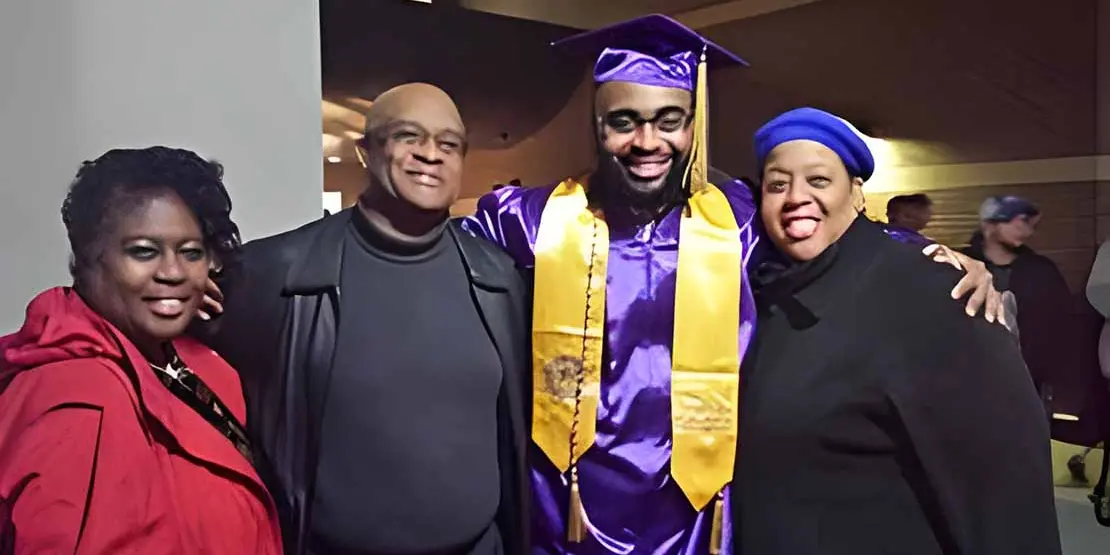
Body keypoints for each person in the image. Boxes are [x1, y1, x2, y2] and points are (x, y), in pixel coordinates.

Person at [462, 15, 1001, 555]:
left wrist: (939, 261)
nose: (647, 142)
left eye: (668, 119)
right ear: (597, 126)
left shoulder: (737, 222)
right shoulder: (529, 220)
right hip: (569, 508)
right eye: (623, 121)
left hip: (700, 512)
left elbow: (837, 237)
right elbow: (436, 255)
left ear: (693, 123)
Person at [197, 83, 530, 555]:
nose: (430, 154)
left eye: (448, 143)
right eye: (408, 136)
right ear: (366, 152)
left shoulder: (497, 278)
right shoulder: (277, 273)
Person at [731, 107, 1060, 554]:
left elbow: (1006, 483)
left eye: (819, 180)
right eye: (777, 184)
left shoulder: (935, 293)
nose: (795, 197)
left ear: (857, 193)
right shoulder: (761, 294)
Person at [0, 147, 282, 553]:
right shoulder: (76, 398)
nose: (172, 273)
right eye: (143, 252)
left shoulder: (188, 363)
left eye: (191, 253)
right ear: (84, 261)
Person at [960, 196, 1085, 424]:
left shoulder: (1041, 270)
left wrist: (1065, 387)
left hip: (1032, 386)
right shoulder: (960, 266)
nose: (1026, 231)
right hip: (971, 385)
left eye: (1029, 224)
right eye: (1018, 222)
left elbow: (1065, 329)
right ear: (990, 225)